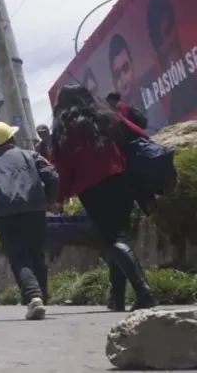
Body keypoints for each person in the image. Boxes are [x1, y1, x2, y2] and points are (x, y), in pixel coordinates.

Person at [50, 84, 158, 312]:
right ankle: (116, 297)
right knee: (119, 237)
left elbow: (63, 168)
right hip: (122, 180)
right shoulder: (106, 117)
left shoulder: (63, 130)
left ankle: (143, 291)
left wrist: (60, 198)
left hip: (92, 190)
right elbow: (139, 134)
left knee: (113, 239)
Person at [0, 122, 59, 320]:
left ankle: (34, 298)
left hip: (5, 217)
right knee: (37, 255)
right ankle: (41, 297)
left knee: (19, 258)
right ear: (10, 138)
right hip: (35, 211)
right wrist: (49, 200)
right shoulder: (30, 155)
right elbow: (52, 176)